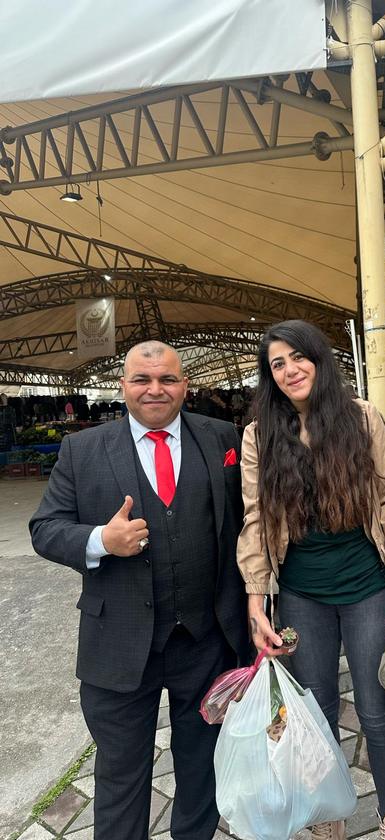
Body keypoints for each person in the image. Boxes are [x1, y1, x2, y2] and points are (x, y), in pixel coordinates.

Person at [30, 340, 248, 840]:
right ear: (123, 386)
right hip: (120, 645)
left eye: (167, 379)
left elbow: (245, 522)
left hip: (205, 640)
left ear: (185, 385)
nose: (156, 389)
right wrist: (100, 540)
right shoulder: (82, 449)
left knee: (202, 768)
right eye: (142, 380)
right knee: (121, 778)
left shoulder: (221, 437)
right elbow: (45, 528)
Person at [237, 320, 385, 840]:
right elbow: (255, 518)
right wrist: (256, 600)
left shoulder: (363, 418)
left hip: (366, 584)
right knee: (315, 709)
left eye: (298, 357)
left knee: (376, 707)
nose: (290, 370)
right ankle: (327, 815)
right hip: (301, 592)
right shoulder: (260, 435)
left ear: (319, 359)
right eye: (278, 364)